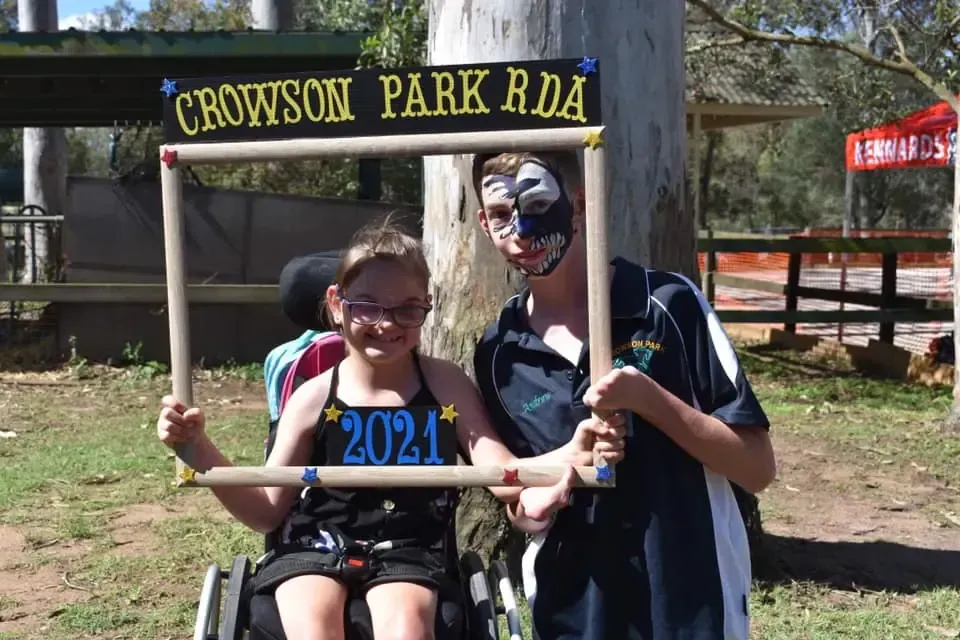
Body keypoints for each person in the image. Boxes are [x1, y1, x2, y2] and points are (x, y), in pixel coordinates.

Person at [156, 215, 626, 640]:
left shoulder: (445, 384)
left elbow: (501, 475)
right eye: (368, 306)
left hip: (411, 551)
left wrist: (571, 451)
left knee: (405, 626)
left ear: (427, 306)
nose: (386, 324)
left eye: (406, 309)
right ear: (337, 304)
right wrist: (197, 448)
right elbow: (265, 512)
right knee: (311, 622)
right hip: (314, 548)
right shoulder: (313, 396)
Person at [471, 151, 776, 639]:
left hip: (689, 598)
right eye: (504, 215)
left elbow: (757, 468)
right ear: (485, 223)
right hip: (573, 605)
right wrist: (529, 506)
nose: (522, 231)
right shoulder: (498, 350)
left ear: (579, 204)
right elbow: (524, 496)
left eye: (538, 204)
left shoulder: (668, 305)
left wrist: (648, 400)